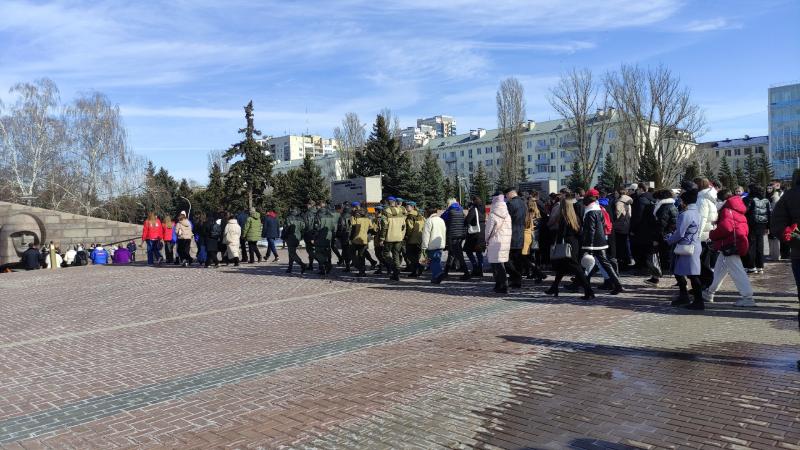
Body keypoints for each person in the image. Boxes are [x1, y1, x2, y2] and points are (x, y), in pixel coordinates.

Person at [702, 190, 755, 306]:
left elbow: (726, 227)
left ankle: (748, 297)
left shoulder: (727, 210)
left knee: (737, 271)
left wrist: (712, 234)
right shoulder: (737, 208)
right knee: (720, 270)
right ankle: (710, 292)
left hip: (730, 245)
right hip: (735, 243)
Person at [545, 193, 593, 299]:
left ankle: (588, 291)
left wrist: (556, 245)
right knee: (562, 268)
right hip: (574, 244)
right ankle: (554, 287)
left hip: (567, 245)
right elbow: (579, 233)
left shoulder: (564, 218)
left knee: (576, 268)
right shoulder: (575, 217)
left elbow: (561, 234)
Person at [770, 170, 800, 327]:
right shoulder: (791, 196)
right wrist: (793, 238)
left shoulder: (789, 195)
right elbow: (778, 224)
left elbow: (777, 223)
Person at [581, 188, 623, 294]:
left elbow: (591, 230)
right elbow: (603, 223)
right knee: (603, 264)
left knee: (589, 264)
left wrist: (589, 246)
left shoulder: (590, 212)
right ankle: (617, 285)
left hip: (593, 242)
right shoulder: (598, 209)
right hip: (601, 240)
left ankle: (586, 288)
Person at [666, 190, 704, 309]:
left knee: (692, 275)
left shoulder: (686, 214)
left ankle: (698, 301)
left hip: (686, 246)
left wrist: (668, 240)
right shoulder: (697, 212)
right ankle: (685, 296)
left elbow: (680, 233)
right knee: (681, 272)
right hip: (694, 244)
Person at [646, 189, 678, 286]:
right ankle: (657, 277)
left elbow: (661, 224)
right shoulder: (672, 206)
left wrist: (656, 238)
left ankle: (656, 278)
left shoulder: (663, 207)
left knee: (657, 257)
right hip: (669, 235)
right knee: (667, 257)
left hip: (662, 236)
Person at [485, 192, 513, 294]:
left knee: (497, 265)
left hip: (495, 241)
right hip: (505, 242)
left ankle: (502, 285)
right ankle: (500, 284)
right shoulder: (507, 214)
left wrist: (486, 239)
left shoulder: (493, 214)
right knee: (500, 263)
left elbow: (488, 230)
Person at [694, 178, 719, 288]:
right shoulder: (709, 197)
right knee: (704, 261)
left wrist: (697, 235)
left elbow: (702, 218)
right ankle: (705, 283)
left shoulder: (702, 199)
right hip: (708, 232)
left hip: (703, 234)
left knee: (701, 262)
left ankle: (706, 283)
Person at [504, 188, 528, 287]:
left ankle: (516, 277)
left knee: (507, 259)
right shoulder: (523, 203)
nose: (506, 198)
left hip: (511, 234)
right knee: (518, 259)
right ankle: (517, 281)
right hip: (520, 233)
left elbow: (506, 219)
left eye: (506, 195)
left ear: (510, 194)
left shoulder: (510, 204)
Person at [744, 184, 770, 274]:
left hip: (751, 225)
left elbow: (745, 211)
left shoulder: (748, 199)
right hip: (762, 225)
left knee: (751, 246)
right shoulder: (766, 200)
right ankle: (760, 267)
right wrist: (768, 226)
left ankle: (751, 266)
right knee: (760, 245)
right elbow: (769, 213)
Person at [629, 183, 655, 271]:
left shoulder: (641, 200)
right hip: (649, 228)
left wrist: (633, 228)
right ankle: (645, 266)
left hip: (640, 228)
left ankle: (642, 267)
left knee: (639, 249)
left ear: (640, 189)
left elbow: (637, 216)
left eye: (637, 190)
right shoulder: (651, 198)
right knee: (645, 249)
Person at [382, 197, 407, 281]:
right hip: (399, 237)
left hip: (389, 238)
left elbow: (384, 226)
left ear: (388, 202)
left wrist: (382, 238)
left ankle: (395, 269)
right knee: (396, 255)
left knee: (385, 254)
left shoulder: (385, 211)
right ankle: (396, 272)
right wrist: (401, 235)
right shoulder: (400, 211)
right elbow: (403, 226)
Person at [420, 206, 447, 284]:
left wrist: (424, 246)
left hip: (431, 245)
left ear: (429, 212)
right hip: (440, 244)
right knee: (437, 261)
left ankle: (439, 273)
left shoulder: (429, 221)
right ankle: (435, 278)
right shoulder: (441, 220)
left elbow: (426, 235)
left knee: (432, 262)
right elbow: (444, 232)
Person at [464, 195, 486, 278]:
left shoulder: (474, 209)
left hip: (474, 234)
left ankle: (475, 267)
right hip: (482, 233)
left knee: (468, 250)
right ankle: (480, 269)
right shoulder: (482, 209)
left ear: (473, 201)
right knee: (479, 252)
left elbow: (467, 221)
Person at [313, 201, 337, 276]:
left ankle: (324, 267)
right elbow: (334, 227)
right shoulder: (330, 215)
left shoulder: (318, 215)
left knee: (318, 252)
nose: (316, 207)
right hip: (329, 235)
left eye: (317, 206)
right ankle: (328, 265)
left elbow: (316, 228)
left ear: (320, 206)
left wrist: (314, 236)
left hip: (320, 235)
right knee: (327, 250)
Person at [348, 202, 372, 277]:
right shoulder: (367, 219)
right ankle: (362, 271)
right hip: (364, 239)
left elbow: (352, 225)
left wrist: (352, 216)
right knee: (362, 256)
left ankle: (359, 267)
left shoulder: (357, 220)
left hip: (356, 239)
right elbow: (371, 227)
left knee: (351, 253)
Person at [282, 207, 307, 274]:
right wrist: (300, 236)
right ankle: (290, 268)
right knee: (291, 252)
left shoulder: (288, 218)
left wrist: (284, 236)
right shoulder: (300, 219)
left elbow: (286, 228)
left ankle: (302, 264)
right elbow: (303, 228)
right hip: (297, 237)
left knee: (292, 253)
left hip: (290, 237)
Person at [613, 188, 633, 268]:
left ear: (619, 193)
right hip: (626, 224)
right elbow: (630, 214)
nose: (615, 194)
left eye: (616, 193)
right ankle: (628, 260)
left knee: (620, 245)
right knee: (625, 243)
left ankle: (622, 262)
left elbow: (617, 215)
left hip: (619, 226)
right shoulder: (628, 201)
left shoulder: (619, 202)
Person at [404, 201, 425, 278]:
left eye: (407, 206)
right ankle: (420, 268)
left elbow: (410, 228)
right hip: (420, 238)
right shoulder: (420, 215)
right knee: (419, 255)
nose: (406, 207)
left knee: (410, 256)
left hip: (412, 239)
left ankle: (415, 270)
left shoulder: (410, 216)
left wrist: (407, 236)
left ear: (412, 207)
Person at [335, 205, 353, 272]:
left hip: (344, 236)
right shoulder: (352, 217)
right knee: (350, 251)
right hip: (351, 236)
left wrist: (338, 235)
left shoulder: (342, 217)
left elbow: (341, 227)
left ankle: (347, 266)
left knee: (345, 251)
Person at [303, 201, 318, 271]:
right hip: (317, 234)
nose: (307, 206)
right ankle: (311, 265)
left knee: (310, 250)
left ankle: (323, 263)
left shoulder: (308, 214)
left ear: (310, 205)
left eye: (308, 204)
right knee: (314, 250)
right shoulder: (318, 212)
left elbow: (306, 225)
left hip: (309, 234)